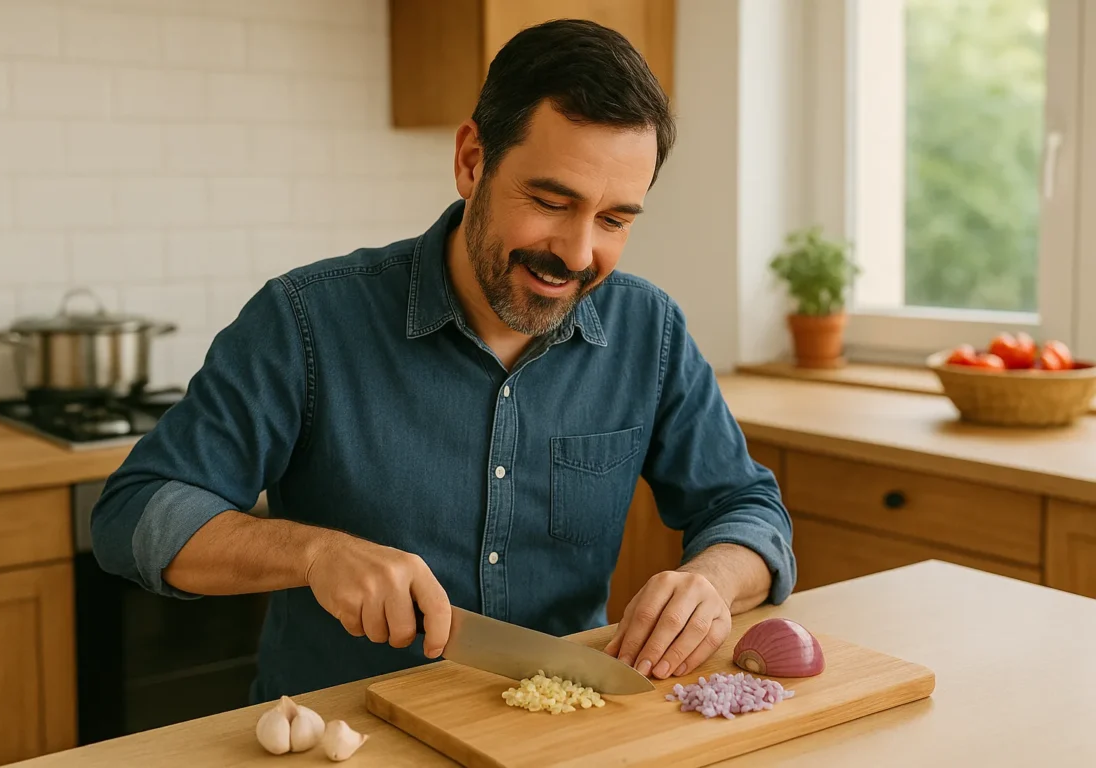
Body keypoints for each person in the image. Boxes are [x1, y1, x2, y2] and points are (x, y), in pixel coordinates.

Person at [90, 18, 796, 703]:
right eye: (552, 202)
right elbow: (132, 515)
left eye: (614, 220)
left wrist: (713, 579)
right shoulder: (305, 321)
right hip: (339, 743)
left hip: (554, 738)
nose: (579, 254)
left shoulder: (651, 331)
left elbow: (748, 508)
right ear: (470, 160)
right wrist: (314, 554)